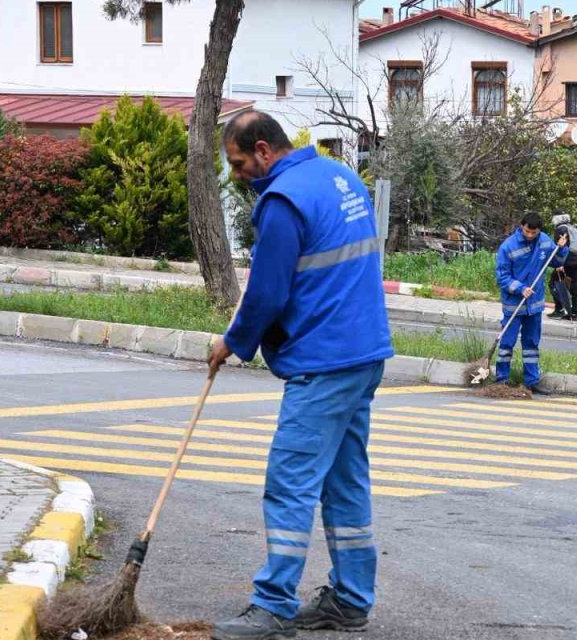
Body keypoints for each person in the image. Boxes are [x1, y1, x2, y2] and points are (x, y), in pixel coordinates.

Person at [208, 111, 393, 640]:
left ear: (263, 151)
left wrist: (232, 342)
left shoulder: (282, 200)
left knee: (290, 481)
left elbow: (267, 293)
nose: (237, 175)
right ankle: (351, 599)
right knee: (343, 480)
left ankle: (273, 605)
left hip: (324, 360)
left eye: (238, 163)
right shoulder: (340, 177)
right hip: (364, 353)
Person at [495, 212, 568, 395]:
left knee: (531, 344)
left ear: (539, 231)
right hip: (514, 304)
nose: (529, 235)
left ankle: (532, 381)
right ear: (522, 226)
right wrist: (520, 289)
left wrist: (561, 249)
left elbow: (556, 262)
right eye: (527, 231)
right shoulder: (508, 247)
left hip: (534, 305)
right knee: (507, 343)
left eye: (533, 233)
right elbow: (502, 277)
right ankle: (502, 379)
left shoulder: (544, 241)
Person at [547, 213, 577, 321]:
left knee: (554, 283)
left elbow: (561, 247)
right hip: (576, 260)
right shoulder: (572, 228)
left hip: (566, 260)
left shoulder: (560, 229)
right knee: (574, 286)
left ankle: (559, 310)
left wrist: (560, 264)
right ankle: (574, 313)